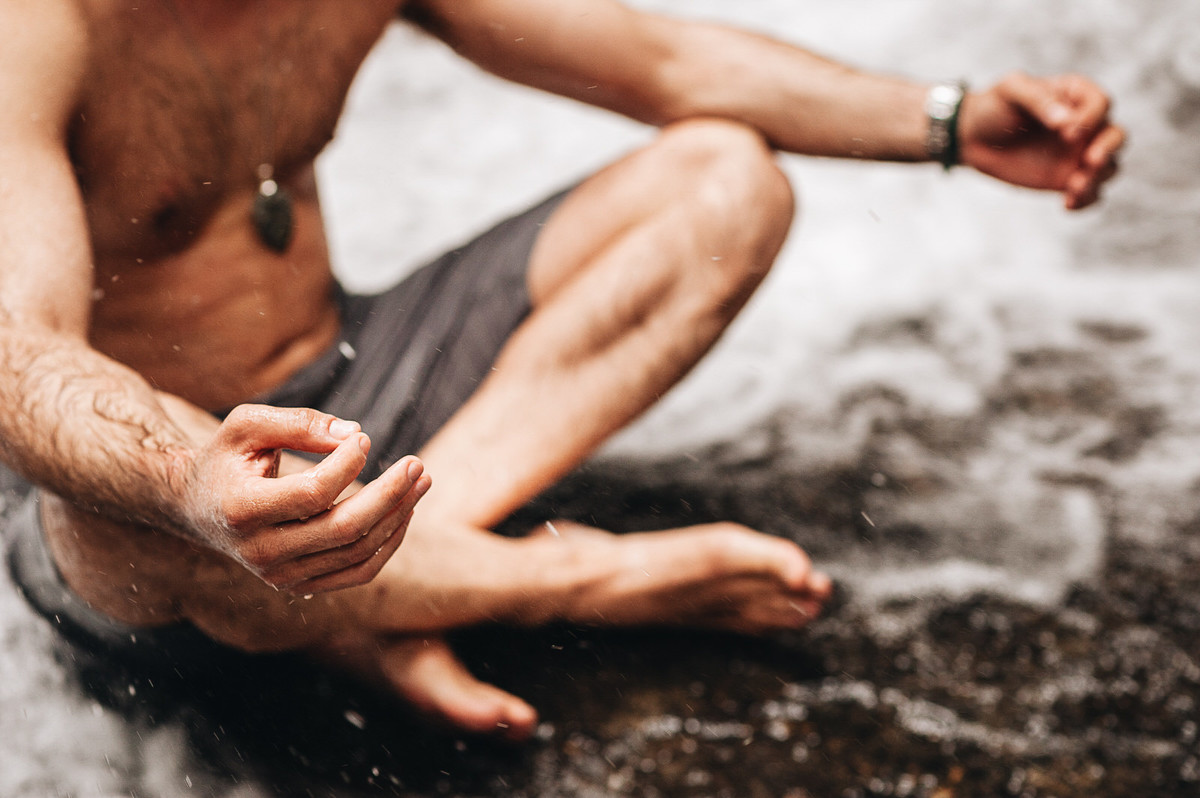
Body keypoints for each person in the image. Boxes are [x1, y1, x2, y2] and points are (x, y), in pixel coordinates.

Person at [0, 0, 1123, 743]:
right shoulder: (36, 29)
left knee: (726, 182)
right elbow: (17, 355)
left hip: (354, 383)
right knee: (134, 489)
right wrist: (191, 484)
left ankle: (397, 586)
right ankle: (563, 580)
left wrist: (947, 121)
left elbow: (663, 60)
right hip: (153, 497)